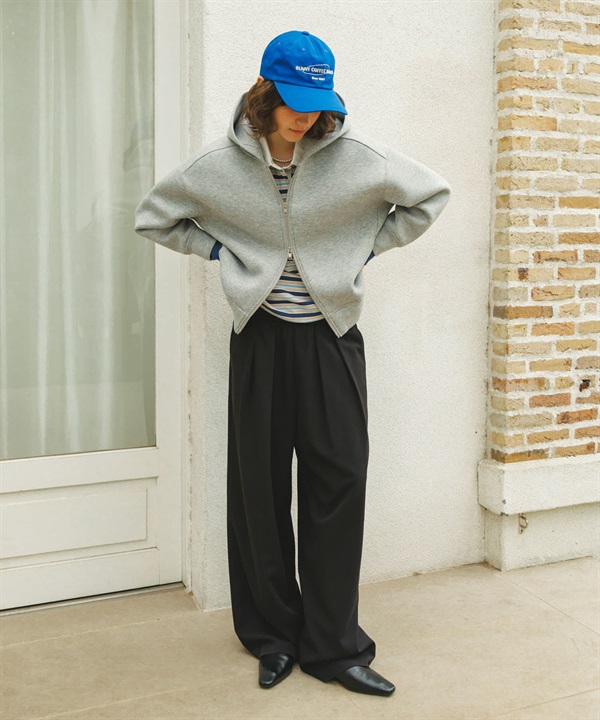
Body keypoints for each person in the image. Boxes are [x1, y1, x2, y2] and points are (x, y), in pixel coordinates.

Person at [134, 30, 451, 697]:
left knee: (339, 483)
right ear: (264, 91)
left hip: (332, 339)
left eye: (317, 102)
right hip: (261, 340)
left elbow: (430, 197)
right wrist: (223, 253)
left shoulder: (360, 159)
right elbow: (154, 218)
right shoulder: (217, 166)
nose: (306, 115)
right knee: (259, 489)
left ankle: (335, 647)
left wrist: (362, 249)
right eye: (293, 101)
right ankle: (273, 636)